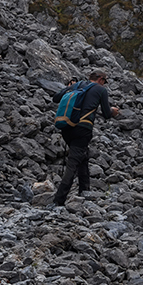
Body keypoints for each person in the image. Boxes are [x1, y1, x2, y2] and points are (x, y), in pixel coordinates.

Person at [52, 70, 119, 206]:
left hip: (67, 127)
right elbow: (106, 114)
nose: (104, 84)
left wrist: (70, 88)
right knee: (73, 163)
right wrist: (113, 111)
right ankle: (58, 201)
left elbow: (56, 98)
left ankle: (85, 192)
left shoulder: (76, 86)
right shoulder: (100, 90)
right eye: (104, 81)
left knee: (82, 156)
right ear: (100, 79)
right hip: (83, 129)